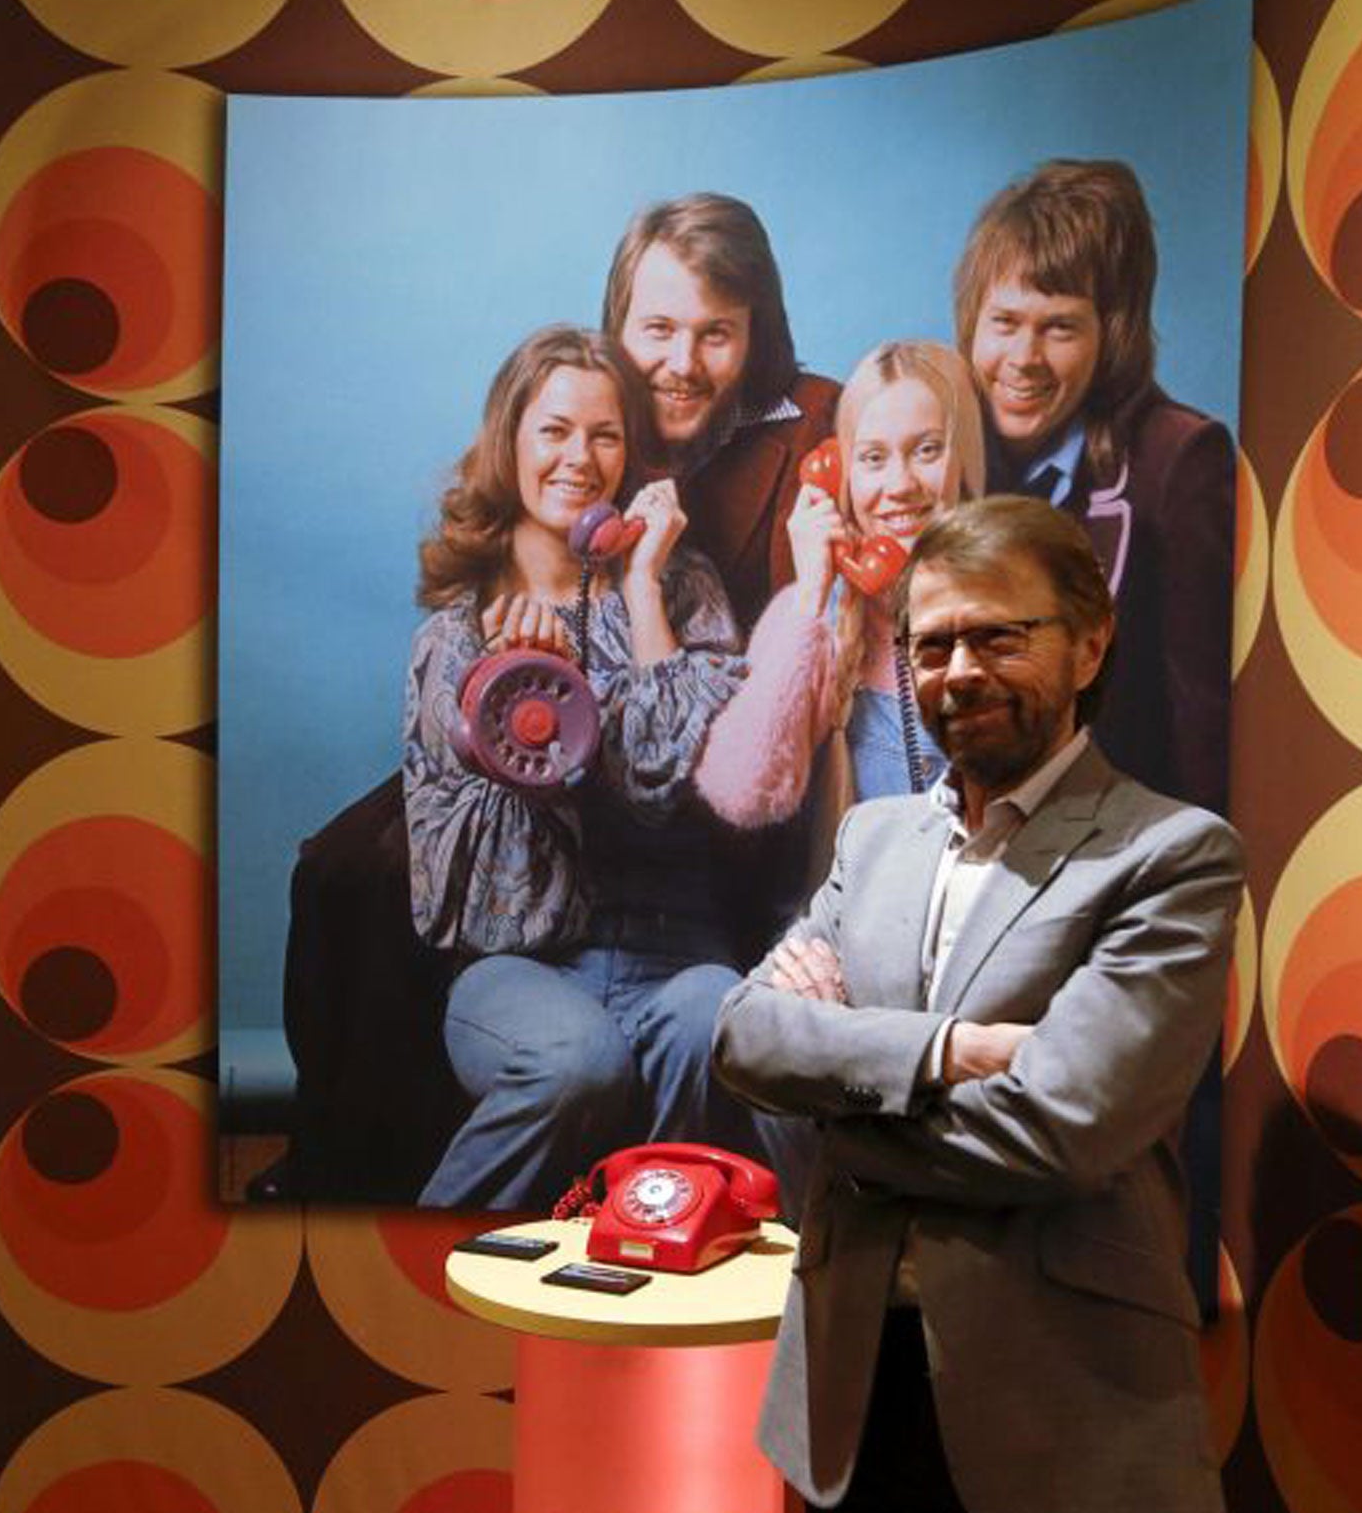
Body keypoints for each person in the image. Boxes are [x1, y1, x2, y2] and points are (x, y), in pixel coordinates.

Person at [714, 496, 1242, 1512]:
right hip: (845, 1395)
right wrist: (945, 1052)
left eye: (998, 636)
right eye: (931, 644)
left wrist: (840, 1119)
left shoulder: (1167, 855)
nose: (959, 671)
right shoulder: (870, 841)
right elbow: (744, 1037)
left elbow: (1060, 1130)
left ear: (1088, 646)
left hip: (1062, 1406)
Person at [403, 324, 781, 1208]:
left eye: (606, 435)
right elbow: (447, 884)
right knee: (582, 1058)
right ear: (510, 443)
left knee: (716, 1018)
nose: (581, 457)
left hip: (677, 954)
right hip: (525, 968)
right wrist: (508, 723)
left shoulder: (681, 592)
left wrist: (643, 585)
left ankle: (643, 1250)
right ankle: (420, 1272)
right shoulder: (455, 638)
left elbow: (676, 784)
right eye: (555, 431)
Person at [955, 159, 1233, 815]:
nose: (1023, 358)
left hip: (1109, 862)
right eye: (1005, 322)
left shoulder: (1179, 462)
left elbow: (1207, 732)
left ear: (1111, 337)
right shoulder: (937, 448)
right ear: (971, 319)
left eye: (1059, 327)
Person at [695, 340, 983, 833]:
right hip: (864, 905)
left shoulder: (1013, 605)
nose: (900, 484)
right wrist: (810, 595)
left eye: (928, 450)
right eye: (873, 458)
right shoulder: (812, 614)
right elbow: (740, 796)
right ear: (841, 473)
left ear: (967, 461)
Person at [604, 193, 839, 629]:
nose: (682, 365)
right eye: (659, 329)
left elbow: (818, 646)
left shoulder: (819, 424)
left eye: (715, 334)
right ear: (617, 328)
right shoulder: (577, 423)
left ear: (756, 336)